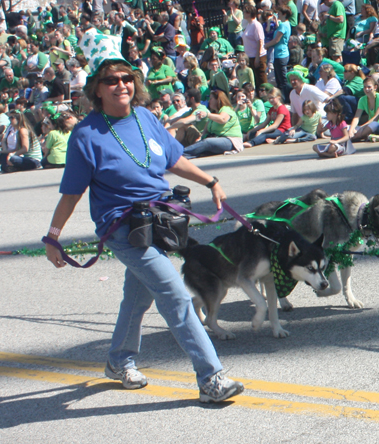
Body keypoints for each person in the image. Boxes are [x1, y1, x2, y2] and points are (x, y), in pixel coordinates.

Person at [45, 29, 244, 403]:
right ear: (97, 89)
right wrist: (53, 236)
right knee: (174, 292)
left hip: (159, 219)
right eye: (111, 80)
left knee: (138, 297)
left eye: (126, 78)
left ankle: (118, 360)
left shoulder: (145, 118)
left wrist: (210, 181)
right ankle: (210, 378)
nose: (121, 84)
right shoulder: (85, 136)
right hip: (123, 227)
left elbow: (174, 159)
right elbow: (72, 192)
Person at [183, 89, 243, 158]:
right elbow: (205, 131)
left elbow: (222, 119)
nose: (209, 101)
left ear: (218, 99)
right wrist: (200, 138)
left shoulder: (226, 109)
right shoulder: (213, 114)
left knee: (207, 142)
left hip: (231, 141)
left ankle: (180, 154)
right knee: (201, 148)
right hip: (217, 140)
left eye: (211, 99)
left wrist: (207, 115)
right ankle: (182, 157)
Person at [348, 77, 379, 141]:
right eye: (365, 87)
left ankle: (355, 137)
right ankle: (358, 135)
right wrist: (351, 129)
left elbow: (376, 118)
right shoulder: (362, 99)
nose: (366, 89)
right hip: (369, 125)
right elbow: (357, 117)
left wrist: (361, 127)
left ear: (375, 87)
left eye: (369, 87)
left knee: (373, 124)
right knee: (347, 127)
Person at [264, 6, 291, 100]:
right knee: (279, 79)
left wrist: (266, 45)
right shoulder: (285, 23)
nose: (277, 14)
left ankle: (285, 98)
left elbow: (276, 40)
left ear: (284, 14)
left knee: (282, 80)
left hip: (281, 54)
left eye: (279, 13)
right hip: (281, 53)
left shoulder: (283, 25)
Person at [242, 3, 267, 90]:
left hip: (258, 56)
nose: (243, 13)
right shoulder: (249, 25)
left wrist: (257, 57)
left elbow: (260, 41)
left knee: (261, 79)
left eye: (245, 12)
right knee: (256, 79)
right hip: (250, 56)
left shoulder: (256, 25)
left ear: (249, 13)